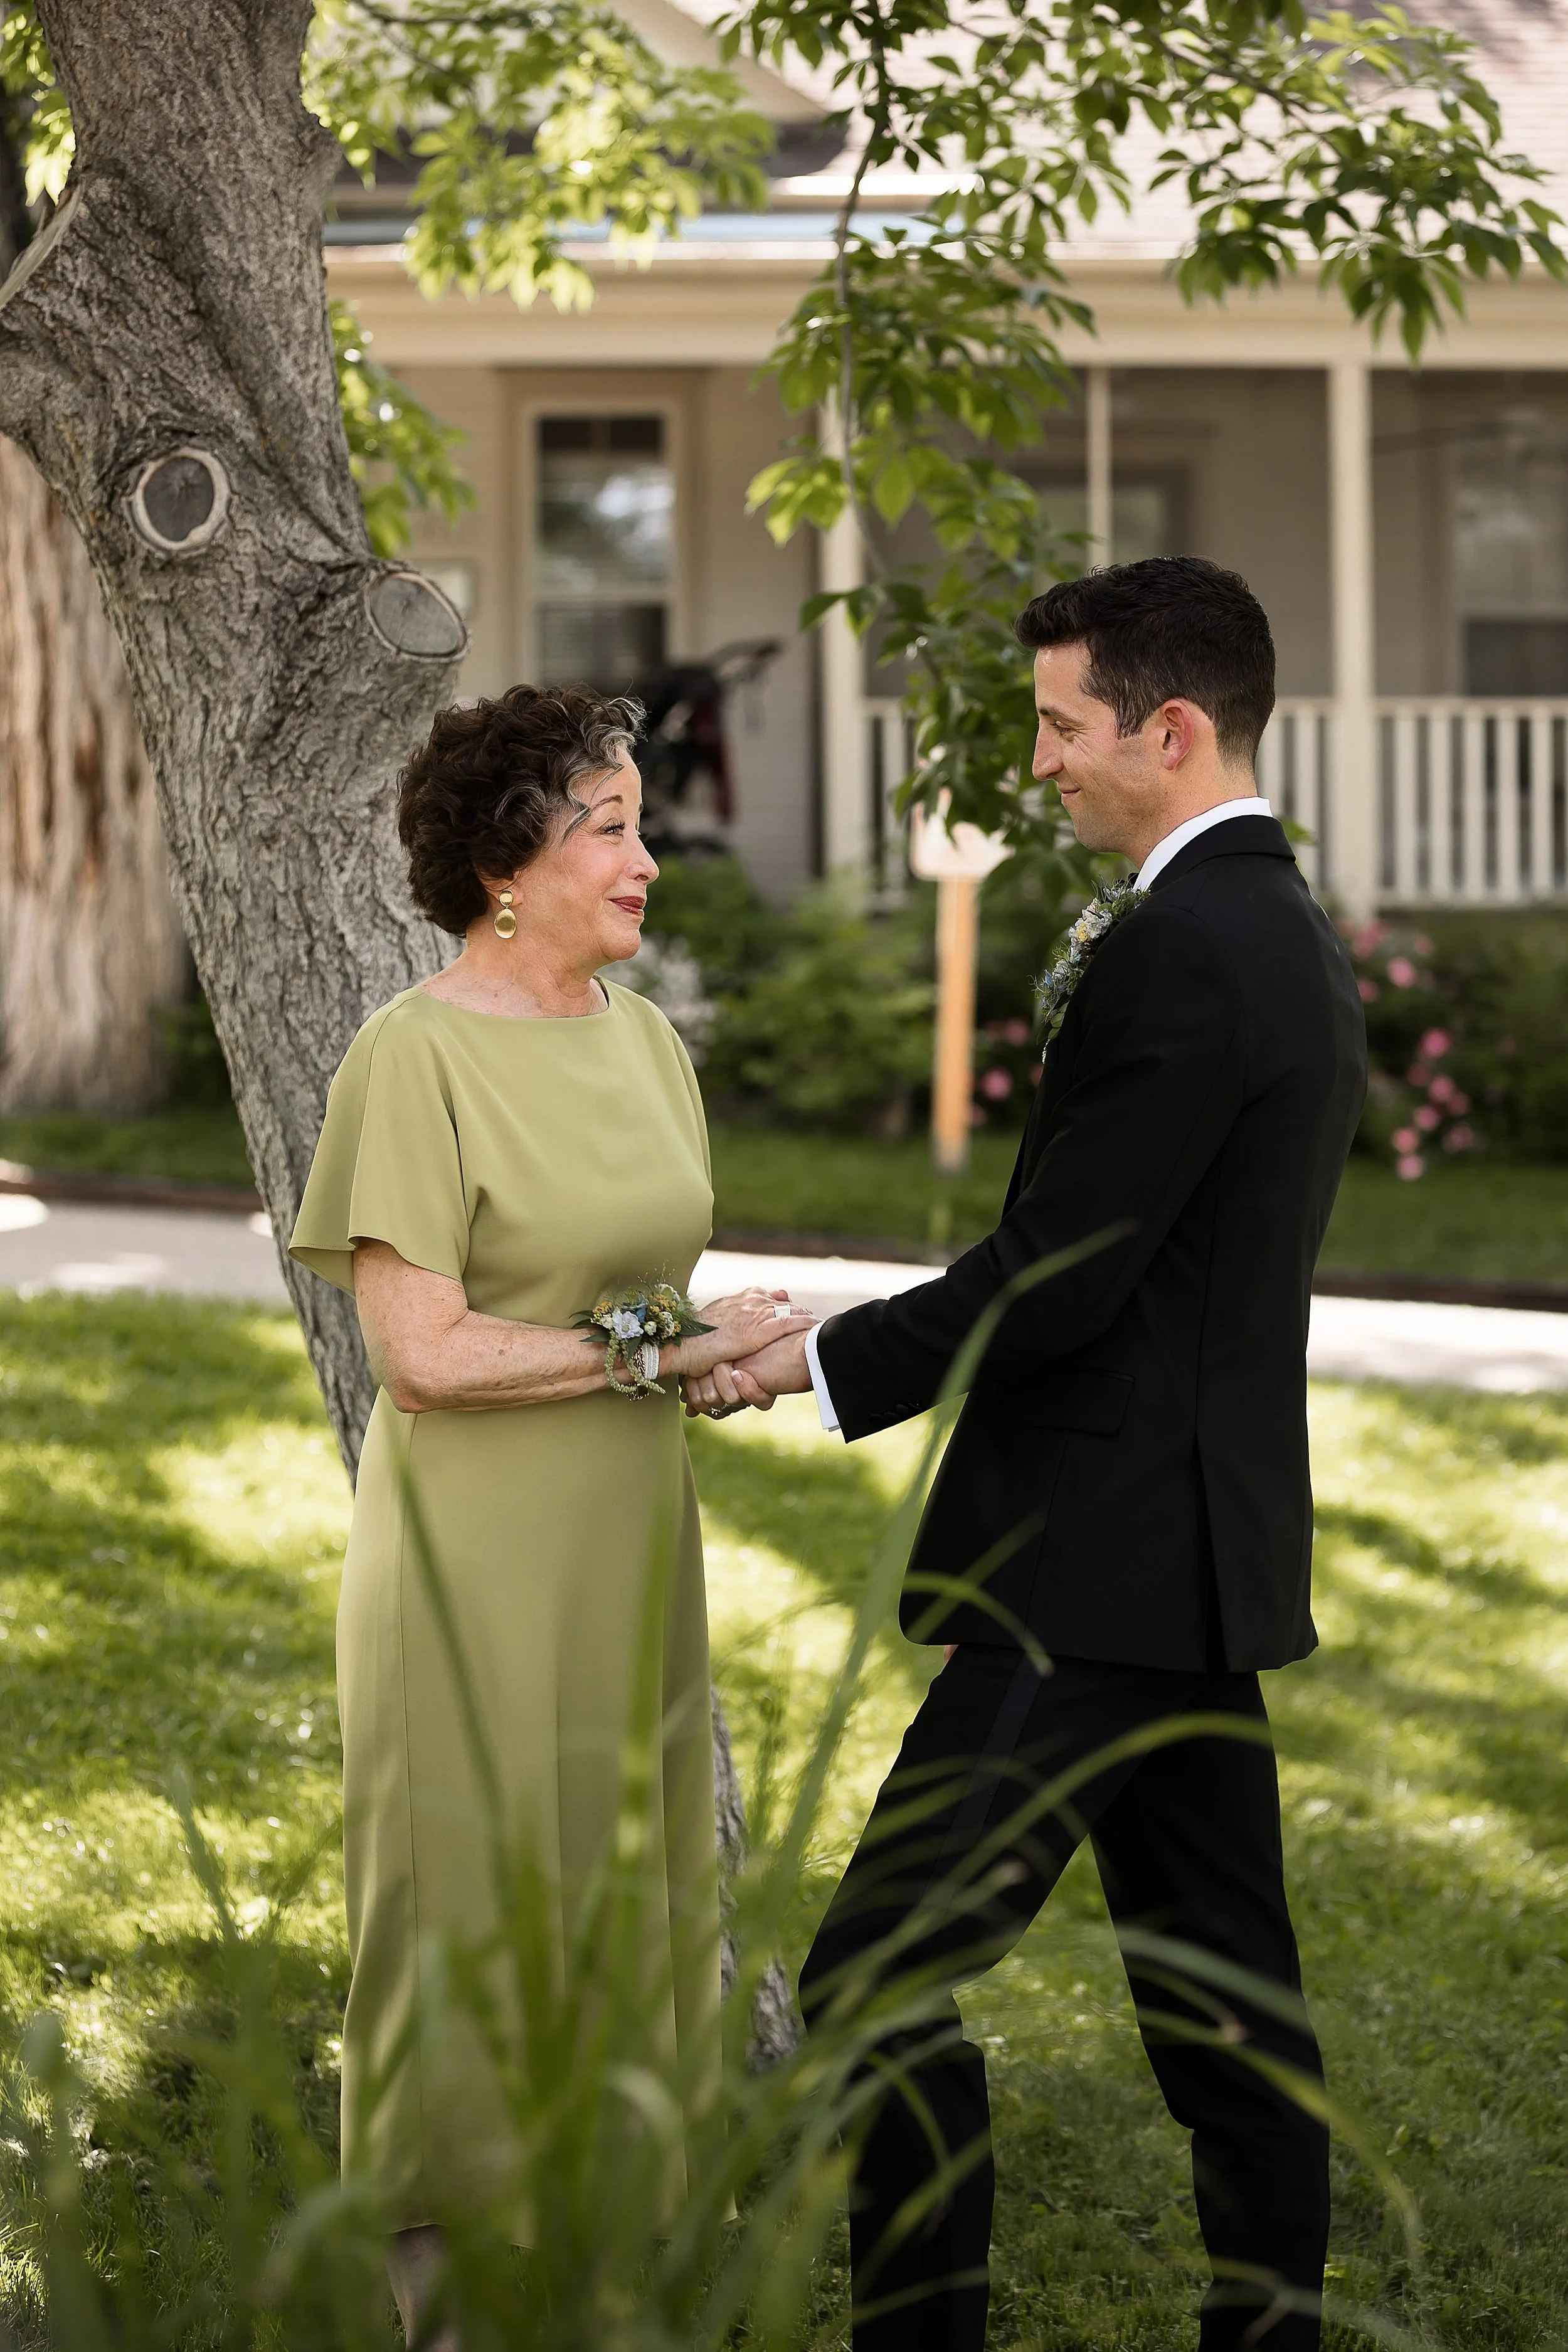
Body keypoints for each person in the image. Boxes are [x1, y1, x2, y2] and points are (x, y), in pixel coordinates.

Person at [685, 558, 1368, 2351]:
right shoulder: (1270, 922)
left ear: (1171, 725)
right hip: (1194, 1558)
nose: (1042, 763)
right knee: (1221, 1988)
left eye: (1065, 726)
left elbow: (1062, 1277)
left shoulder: (1186, 940)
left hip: (1087, 1561)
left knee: (870, 1976)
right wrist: (832, 1332)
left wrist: (809, 1366)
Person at [289, 684, 811, 2346]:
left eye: (640, 822)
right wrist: (666, 1343)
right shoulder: (413, 1054)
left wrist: (730, 1340)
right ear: (507, 860)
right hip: (475, 1565)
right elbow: (426, 1353)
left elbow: (623, 1303)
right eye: (612, 825)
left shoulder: (644, 1040)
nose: (647, 858)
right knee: (468, 1905)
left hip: (630, 1539)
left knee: (624, 1891)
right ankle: (441, 2295)